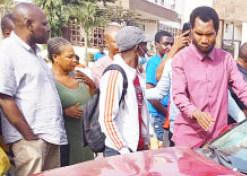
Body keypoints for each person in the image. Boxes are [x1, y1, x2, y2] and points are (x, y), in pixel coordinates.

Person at [170, 6, 247, 148]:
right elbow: (178, 96)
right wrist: (196, 113)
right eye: (199, 33)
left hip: (217, 140)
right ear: (191, 31)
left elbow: (242, 89)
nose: (204, 40)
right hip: (188, 139)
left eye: (209, 34)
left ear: (217, 32)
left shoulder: (226, 59)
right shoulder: (181, 59)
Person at [0, 2, 66, 176]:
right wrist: (29, 136)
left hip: (50, 136)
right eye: (44, 24)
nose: (48, 29)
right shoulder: (6, 51)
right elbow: (4, 97)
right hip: (30, 140)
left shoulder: (36, 54)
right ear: (29, 24)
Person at [99, 26, 151, 156]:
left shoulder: (135, 74)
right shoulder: (114, 74)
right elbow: (107, 119)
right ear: (136, 47)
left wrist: (145, 141)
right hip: (120, 152)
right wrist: (123, 150)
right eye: (144, 45)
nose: (147, 49)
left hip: (135, 149)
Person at [48, 37, 95, 166]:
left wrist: (92, 86)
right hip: (65, 144)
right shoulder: (48, 80)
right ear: (55, 57)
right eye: (69, 57)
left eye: (75, 56)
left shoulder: (79, 76)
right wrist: (64, 112)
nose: (75, 60)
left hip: (85, 142)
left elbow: (92, 102)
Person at [146, 30, 173, 145]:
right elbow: (151, 95)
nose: (169, 47)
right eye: (166, 44)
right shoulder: (154, 63)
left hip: (166, 115)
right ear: (156, 44)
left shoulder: (168, 61)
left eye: (172, 44)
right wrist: (167, 113)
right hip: (159, 116)